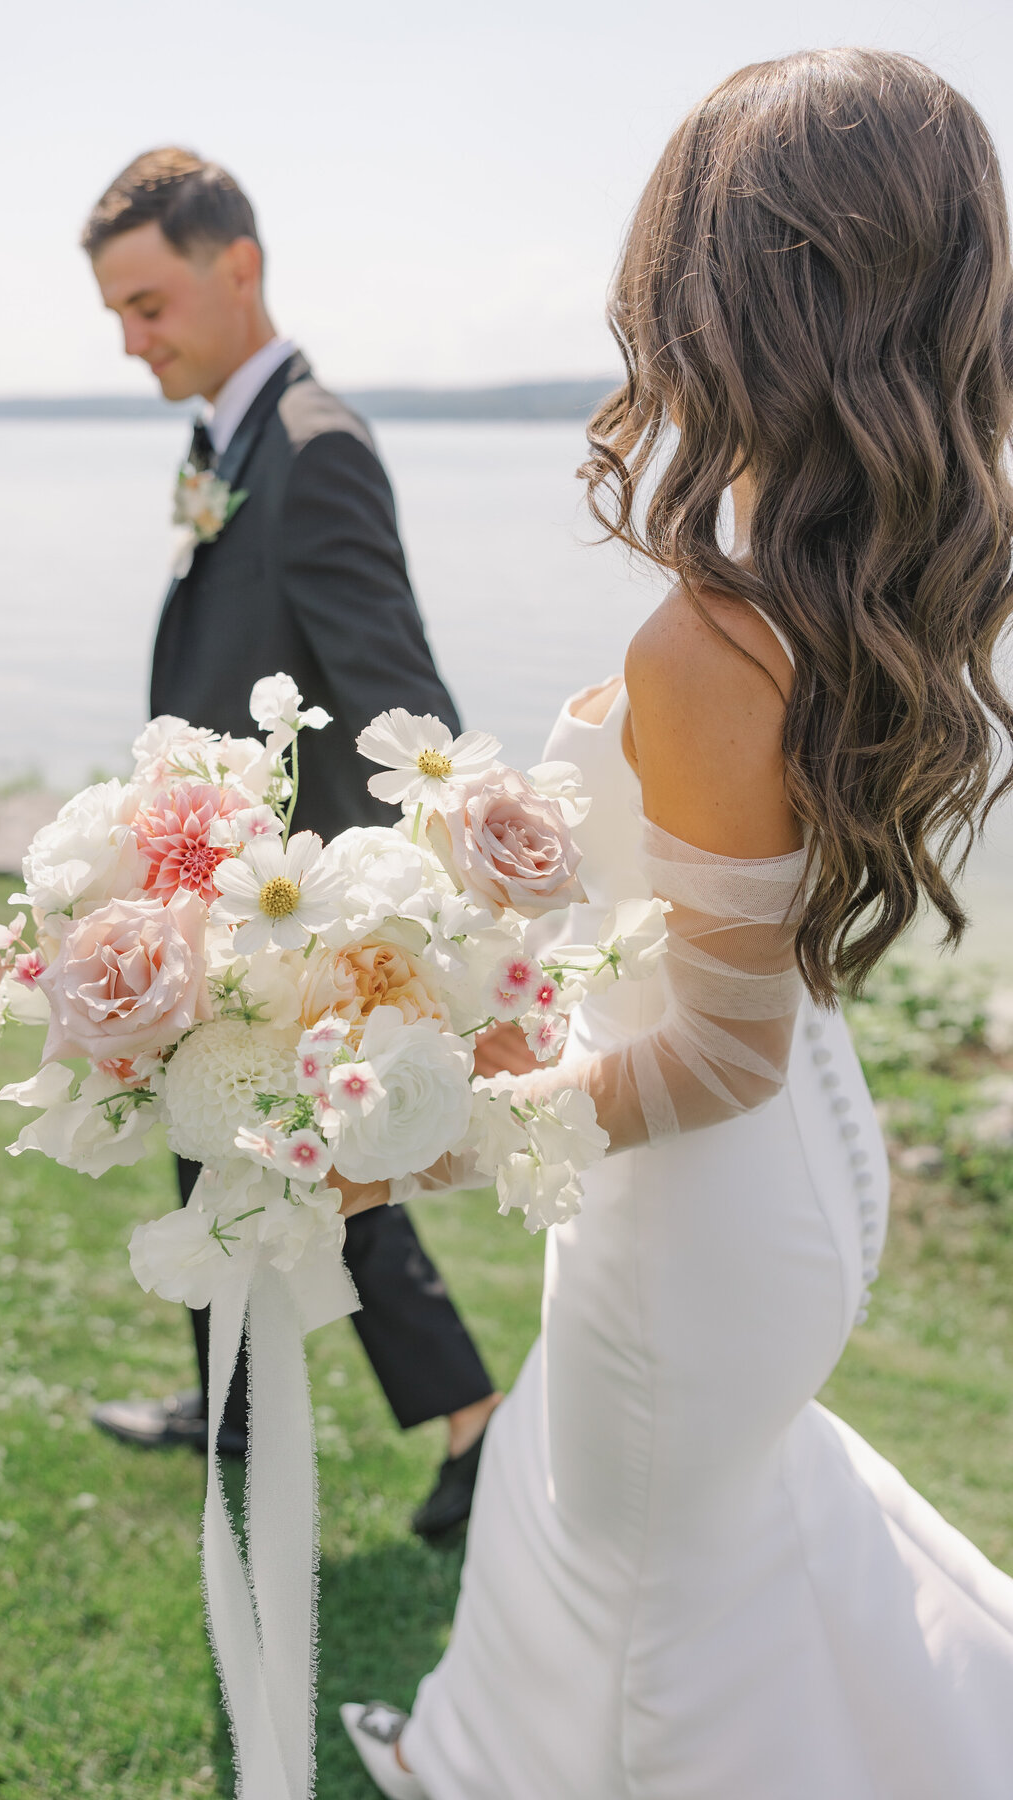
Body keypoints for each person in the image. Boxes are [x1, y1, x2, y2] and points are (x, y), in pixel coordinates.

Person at [339, 49, 1013, 1799]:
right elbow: (734, 989)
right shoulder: (834, 591)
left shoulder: (714, 636)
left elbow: (712, 1049)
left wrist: (439, 1143)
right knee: (657, 1565)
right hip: (798, 1156)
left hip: (704, 1208)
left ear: (737, 289)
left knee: (648, 1604)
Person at [80, 148, 499, 1538]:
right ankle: (239, 1407)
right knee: (213, 1151)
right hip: (215, 896)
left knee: (328, 1174)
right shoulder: (230, 442)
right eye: (117, 315)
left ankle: (475, 1424)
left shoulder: (313, 447)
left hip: (291, 914)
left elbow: (400, 698)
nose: (134, 340)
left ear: (235, 267)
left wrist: (374, 927)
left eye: (148, 304)